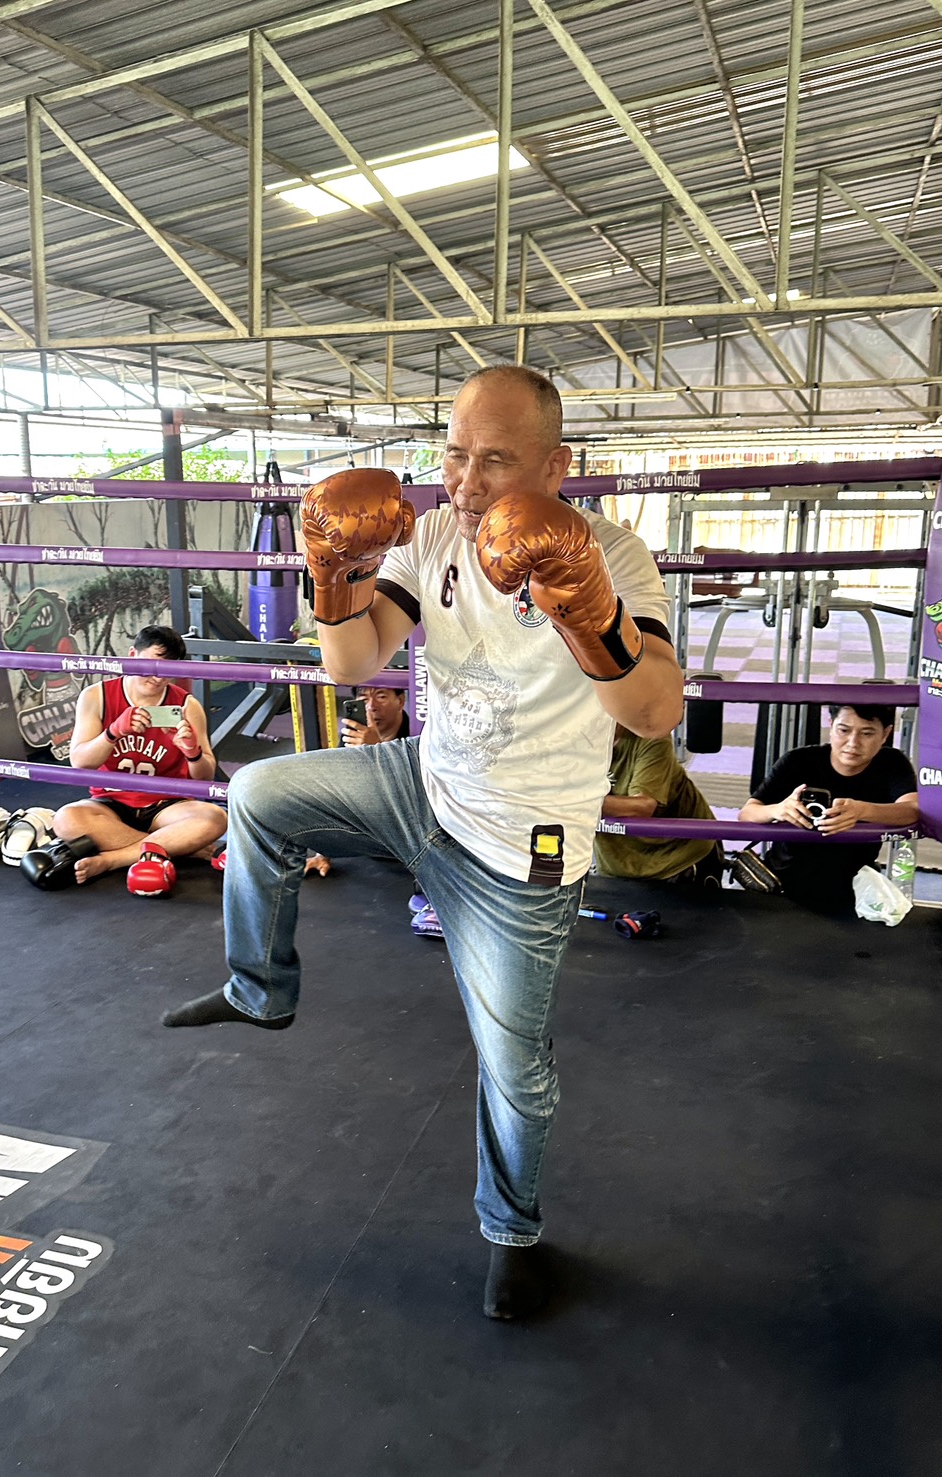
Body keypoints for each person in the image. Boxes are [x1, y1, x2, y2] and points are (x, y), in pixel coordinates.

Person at [163, 366, 682, 1320]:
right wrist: (332, 570)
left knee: (513, 1067)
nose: (467, 481)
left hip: (522, 845)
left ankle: (512, 1231)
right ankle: (260, 988)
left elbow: (652, 712)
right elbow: (352, 661)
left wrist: (587, 606)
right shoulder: (434, 533)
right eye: (454, 454)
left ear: (557, 466)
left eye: (496, 460)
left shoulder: (613, 554)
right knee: (259, 792)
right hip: (423, 784)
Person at [52, 625, 227, 886]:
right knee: (66, 819)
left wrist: (192, 752)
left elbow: (204, 777)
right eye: (152, 665)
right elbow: (80, 762)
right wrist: (113, 732)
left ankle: (113, 859)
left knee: (215, 818)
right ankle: (180, 848)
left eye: (168, 671)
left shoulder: (186, 705)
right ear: (133, 655)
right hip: (110, 804)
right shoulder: (97, 696)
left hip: (167, 807)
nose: (158, 678)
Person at [737, 703, 918, 911]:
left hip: (853, 887)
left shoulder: (891, 763)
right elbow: (747, 813)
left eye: (867, 733)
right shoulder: (799, 760)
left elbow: (913, 809)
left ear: (885, 734)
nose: (853, 743)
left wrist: (862, 810)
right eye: (844, 730)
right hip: (782, 883)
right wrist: (777, 810)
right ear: (831, 726)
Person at [304, 685, 411, 876]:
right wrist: (323, 851)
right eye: (363, 699)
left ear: (401, 701)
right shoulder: (353, 735)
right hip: (368, 833)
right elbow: (335, 789)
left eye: (381, 696)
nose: (371, 706)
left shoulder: (419, 733)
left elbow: (414, 796)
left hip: (408, 839)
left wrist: (377, 752)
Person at [594, 725, 722, 884]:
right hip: (615, 862)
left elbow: (642, 807)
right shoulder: (574, 741)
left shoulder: (651, 737)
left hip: (679, 858)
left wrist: (579, 802)